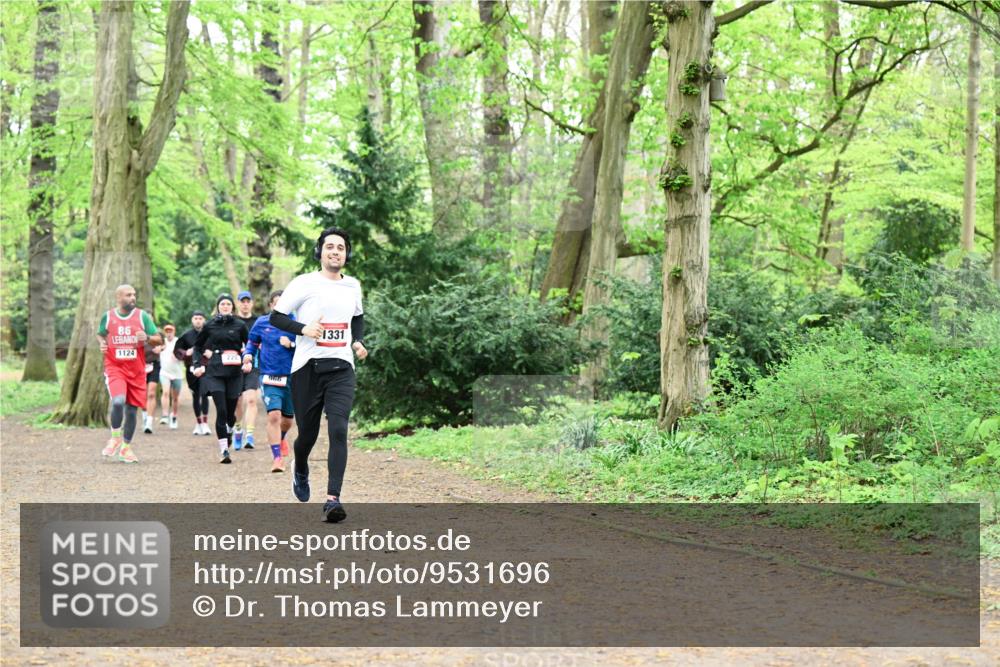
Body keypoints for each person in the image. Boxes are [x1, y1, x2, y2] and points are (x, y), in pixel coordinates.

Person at [270, 227, 368, 523]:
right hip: (307, 370)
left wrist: (358, 340)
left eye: (340, 247)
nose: (335, 251)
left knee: (338, 429)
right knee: (307, 436)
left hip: (341, 368)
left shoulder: (353, 286)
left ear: (346, 254)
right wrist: (304, 329)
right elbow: (277, 317)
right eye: (330, 247)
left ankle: (332, 499)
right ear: (320, 252)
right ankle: (300, 466)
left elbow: (357, 317)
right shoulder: (304, 283)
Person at [97, 284, 161, 463]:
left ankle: (126, 447)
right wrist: (102, 343)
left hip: (136, 371)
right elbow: (101, 334)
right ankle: (115, 437)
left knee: (132, 411)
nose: (133, 297)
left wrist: (147, 338)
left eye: (134, 294)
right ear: (118, 298)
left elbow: (158, 339)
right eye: (128, 295)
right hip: (115, 367)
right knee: (118, 402)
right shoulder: (108, 317)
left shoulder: (142, 316)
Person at [191, 294, 250, 463]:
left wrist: (249, 360)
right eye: (222, 304)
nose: (225, 306)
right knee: (221, 410)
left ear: (232, 307)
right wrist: (197, 364)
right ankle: (224, 450)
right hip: (215, 371)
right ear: (218, 307)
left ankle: (230, 429)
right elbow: (197, 346)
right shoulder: (210, 325)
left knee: (231, 412)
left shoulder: (239, 325)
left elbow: (250, 346)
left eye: (228, 304)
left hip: (234, 373)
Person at [244, 290, 296, 473]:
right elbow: (252, 343)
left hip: (292, 376)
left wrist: (292, 344)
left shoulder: (296, 322)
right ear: (271, 306)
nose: (281, 306)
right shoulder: (262, 322)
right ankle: (277, 458)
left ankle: (282, 437)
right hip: (269, 375)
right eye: (277, 303)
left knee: (288, 420)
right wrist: (248, 355)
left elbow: (309, 345)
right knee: (274, 415)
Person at [175, 311, 212, 435]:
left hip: (206, 368)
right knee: (196, 395)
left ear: (204, 320)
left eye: (200, 318)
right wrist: (186, 353)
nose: (198, 320)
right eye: (196, 318)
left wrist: (211, 353)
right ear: (192, 320)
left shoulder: (210, 334)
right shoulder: (186, 335)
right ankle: (199, 423)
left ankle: (206, 423)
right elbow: (177, 350)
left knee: (204, 393)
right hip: (191, 369)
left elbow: (218, 346)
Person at [233, 290, 261, 451]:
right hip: (234, 366)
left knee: (251, 400)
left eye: (247, 301)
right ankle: (238, 430)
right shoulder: (232, 321)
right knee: (237, 402)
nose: (245, 304)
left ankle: (249, 435)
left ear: (251, 303)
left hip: (253, 364)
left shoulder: (258, 321)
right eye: (242, 301)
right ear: (238, 303)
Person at [158, 323, 183, 429]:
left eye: (170, 331)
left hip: (177, 373)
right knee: (166, 392)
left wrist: (178, 355)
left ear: (174, 331)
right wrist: (157, 350)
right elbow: (154, 351)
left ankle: (174, 416)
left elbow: (184, 354)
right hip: (164, 372)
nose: (168, 333)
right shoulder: (161, 342)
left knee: (175, 397)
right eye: (167, 331)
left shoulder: (179, 342)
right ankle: (164, 415)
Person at [142, 338, 163, 434]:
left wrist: (161, 348)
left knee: (151, 393)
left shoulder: (155, 333)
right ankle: (144, 415)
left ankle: (149, 422)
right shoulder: (135, 330)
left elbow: (164, 344)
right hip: (139, 365)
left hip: (154, 365)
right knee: (142, 394)